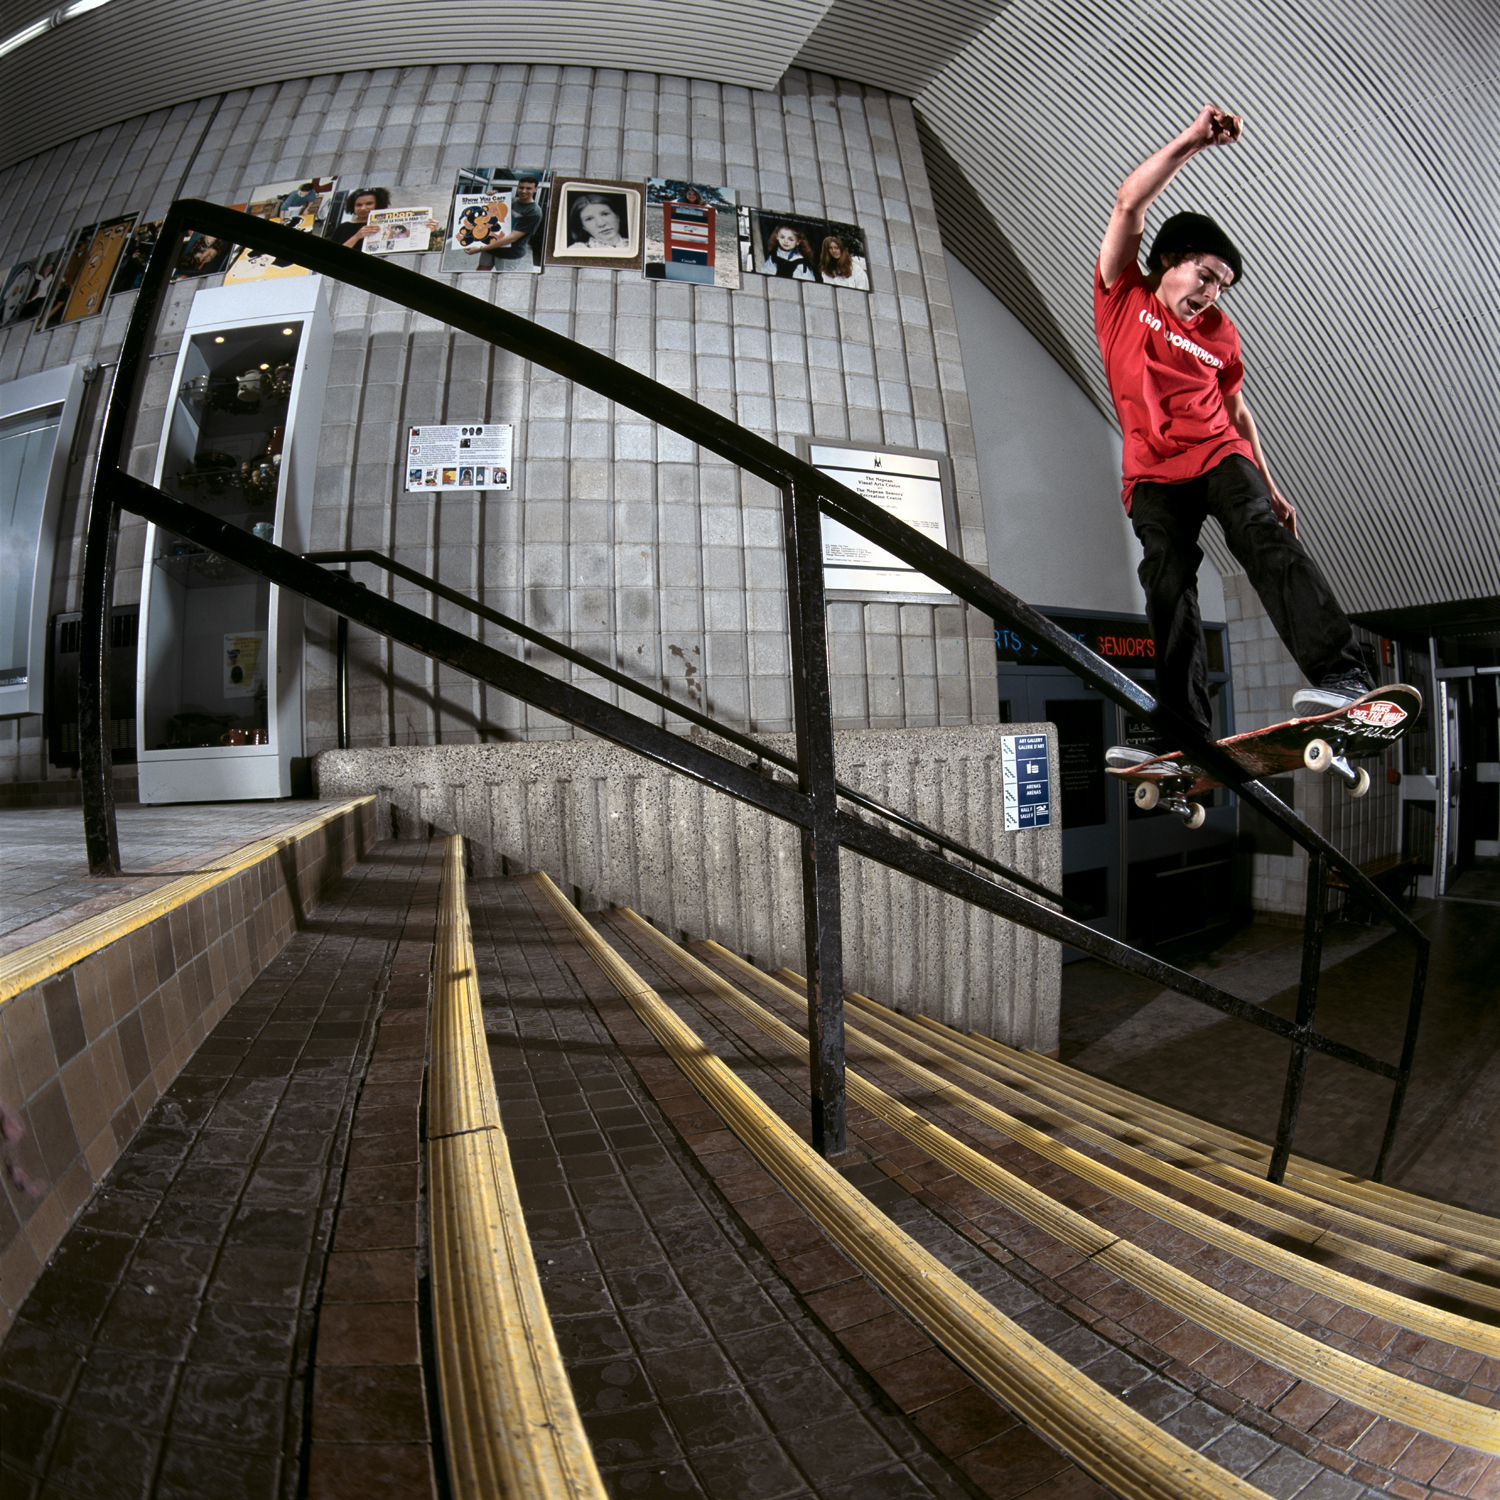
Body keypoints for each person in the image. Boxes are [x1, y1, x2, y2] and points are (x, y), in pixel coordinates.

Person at [1095, 104, 1372, 766]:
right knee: (1167, 583)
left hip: (1219, 453)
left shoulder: (1220, 334)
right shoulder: (1121, 295)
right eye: (1206, 276)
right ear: (1172, 260)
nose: (1213, 295)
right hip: (1152, 475)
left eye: (1223, 286)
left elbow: (1238, 411)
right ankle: (1186, 731)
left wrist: (1272, 488)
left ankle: (1343, 675)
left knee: (1260, 538)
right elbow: (1129, 202)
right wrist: (1192, 139)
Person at [490, 176, 543, 260]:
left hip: (510, 253)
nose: (523, 191)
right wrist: (489, 197)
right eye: (521, 187)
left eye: (528, 188)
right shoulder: (511, 200)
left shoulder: (534, 212)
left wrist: (480, 249)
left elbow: (513, 237)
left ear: (535, 189)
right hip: (492, 245)